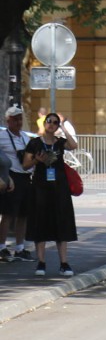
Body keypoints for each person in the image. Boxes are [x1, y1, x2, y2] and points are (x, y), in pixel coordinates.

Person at [22, 112, 78, 277]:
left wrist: (64, 128)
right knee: (41, 222)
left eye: (55, 122)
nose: (52, 124)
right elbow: (25, 165)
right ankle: (41, 262)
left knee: (61, 222)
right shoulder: (34, 143)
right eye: (49, 121)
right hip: (40, 187)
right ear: (44, 123)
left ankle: (64, 263)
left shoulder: (59, 142)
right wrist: (37, 160)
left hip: (59, 187)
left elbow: (73, 145)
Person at [0, 106, 35, 262]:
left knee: (23, 214)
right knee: (7, 214)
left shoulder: (25, 137)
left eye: (20, 119)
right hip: (12, 178)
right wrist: (4, 176)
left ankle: (20, 248)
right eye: (15, 119)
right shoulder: (2, 136)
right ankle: (2, 247)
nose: (19, 122)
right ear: (8, 121)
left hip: (26, 177)